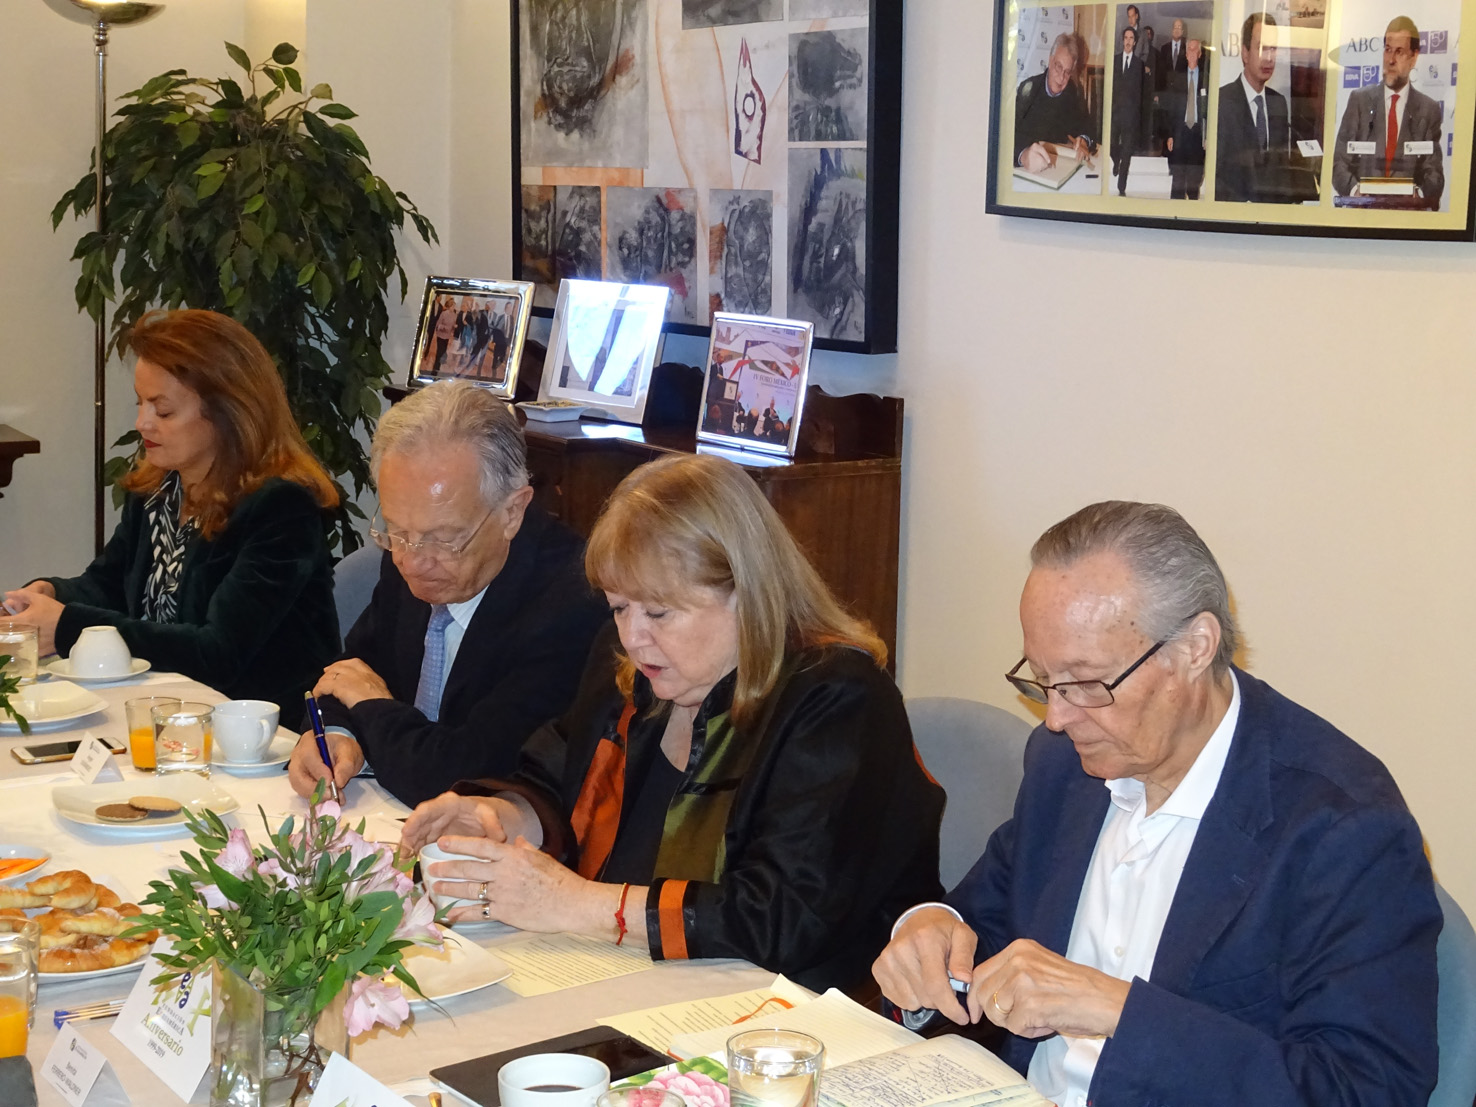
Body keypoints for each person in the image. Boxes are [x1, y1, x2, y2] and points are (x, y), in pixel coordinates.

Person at [873, 501, 1441, 1107]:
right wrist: (929, 933)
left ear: (1195, 647)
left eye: (1087, 683)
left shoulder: (1342, 826)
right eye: (1042, 679)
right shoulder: (1063, 767)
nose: (1057, 718)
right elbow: (981, 926)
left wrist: (1119, 1010)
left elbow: (1363, 1089)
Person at [401, 453, 945, 992]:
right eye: (619, 608)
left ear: (746, 594)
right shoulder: (632, 670)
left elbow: (781, 917)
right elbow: (558, 773)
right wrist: (501, 816)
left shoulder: (837, 699)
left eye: (659, 612)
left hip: (793, 1012)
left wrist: (574, 903)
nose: (633, 637)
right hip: (629, 983)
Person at [2, 309, 340, 728]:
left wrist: (67, 625)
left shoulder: (281, 508)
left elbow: (217, 653)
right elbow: (108, 585)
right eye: (140, 403)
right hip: (162, 714)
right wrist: (52, 594)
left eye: (162, 411)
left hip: (258, 733)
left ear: (228, 412)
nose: (142, 423)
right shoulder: (157, 490)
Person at [287, 380, 608, 807]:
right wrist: (334, 733)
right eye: (396, 531)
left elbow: (466, 775)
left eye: (443, 539)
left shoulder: (572, 605)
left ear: (512, 511)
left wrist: (372, 706)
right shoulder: (411, 550)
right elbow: (349, 673)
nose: (412, 562)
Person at [1332, 16, 1444, 205]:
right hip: (1365, 213)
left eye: (1399, 52)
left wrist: (1418, 196)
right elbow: (1339, 164)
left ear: (1414, 57)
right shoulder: (1359, 101)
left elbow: (1434, 174)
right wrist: (1355, 191)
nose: (1390, 60)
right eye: (1388, 49)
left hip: (1406, 215)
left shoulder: (1428, 109)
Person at [1216, 12, 1293, 202]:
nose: (1269, 58)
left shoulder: (1279, 103)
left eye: (1273, 49)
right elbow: (1217, 172)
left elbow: (1281, 168)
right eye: (1262, 48)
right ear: (1245, 53)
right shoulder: (1222, 101)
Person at [1014, 34, 1097, 174]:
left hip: (1059, 170)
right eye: (1059, 67)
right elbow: (1008, 134)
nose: (1062, 77)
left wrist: (1083, 140)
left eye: (1067, 72)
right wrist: (1023, 155)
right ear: (1050, 60)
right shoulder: (1029, 89)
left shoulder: (1072, 92)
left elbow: (1087, 125)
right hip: (1028, 171)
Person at [1167, 38, 1210, 199]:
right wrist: (1170, 134)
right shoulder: (1177, 78)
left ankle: (1191, 210)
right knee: (1178, 178)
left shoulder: (1206, 79)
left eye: (1195, 50)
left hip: (1198, 134)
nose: (1192, 53)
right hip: (1180, 132)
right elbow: (1171, 108)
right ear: (1186, 54)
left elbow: (1210, 109)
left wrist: (1207, 136)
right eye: (1189, 49)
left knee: (1194, 179)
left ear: (1199, 54)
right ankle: (1174, 211)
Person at [1111, 28, 1144, 196]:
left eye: (1131, 38)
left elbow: (1140, 93)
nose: (1128, 41)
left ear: (1135, 42)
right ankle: (1115, 160)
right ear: (1122, 40)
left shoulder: (1139, 65)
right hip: (1115, 113)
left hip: (1130, 115)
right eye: (1126, 38)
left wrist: (1137, 117)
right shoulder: (1114, 60)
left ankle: (1121, 186)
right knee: (1112, 145)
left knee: (1127, 151)